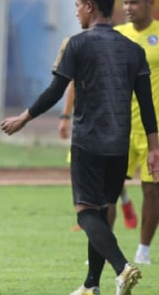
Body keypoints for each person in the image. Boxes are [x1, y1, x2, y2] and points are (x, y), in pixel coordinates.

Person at [0, 0, 159, 295]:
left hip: (88, 141)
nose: (75, 13)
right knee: (101, 211)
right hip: (119, 145)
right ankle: (90, 286)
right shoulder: (133, 50)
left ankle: (122, 267)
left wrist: (24, 118)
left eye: (77, 7)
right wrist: (155, 149)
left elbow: (55, 90)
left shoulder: (75, 43)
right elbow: (146, 104)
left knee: (85, 212)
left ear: (89, 6)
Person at [115, 0, 159, 265]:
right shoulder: (117, 36)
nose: (128, 7)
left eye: (135, 2)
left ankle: (143, 250)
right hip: (120, 125)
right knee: (107, 188)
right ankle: (104, 250)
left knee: (153, 189)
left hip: (155, 129)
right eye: (126, 2)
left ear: (151, 3)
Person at [58, 80, 138, 232]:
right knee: (91, 182)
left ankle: (102, 237)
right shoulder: (79, 58)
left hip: (118, 125)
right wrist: (65, 117)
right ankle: (92, 218)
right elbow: (71, 83)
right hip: (88, 130)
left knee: (108, 185)